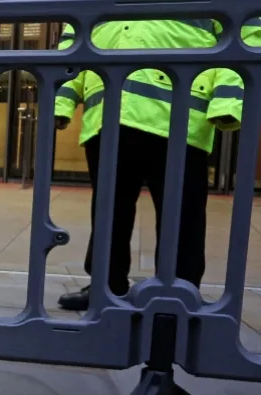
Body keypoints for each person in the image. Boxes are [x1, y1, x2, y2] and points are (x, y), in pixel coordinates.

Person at [53, 20, 254, 311]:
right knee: (110, 210)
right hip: (108, 114)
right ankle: (106, 285)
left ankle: (179, 290)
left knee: (182, 213)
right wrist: (63, 99)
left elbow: (244, 31)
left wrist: (228, 101)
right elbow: (74, 39)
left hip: (179, 115)